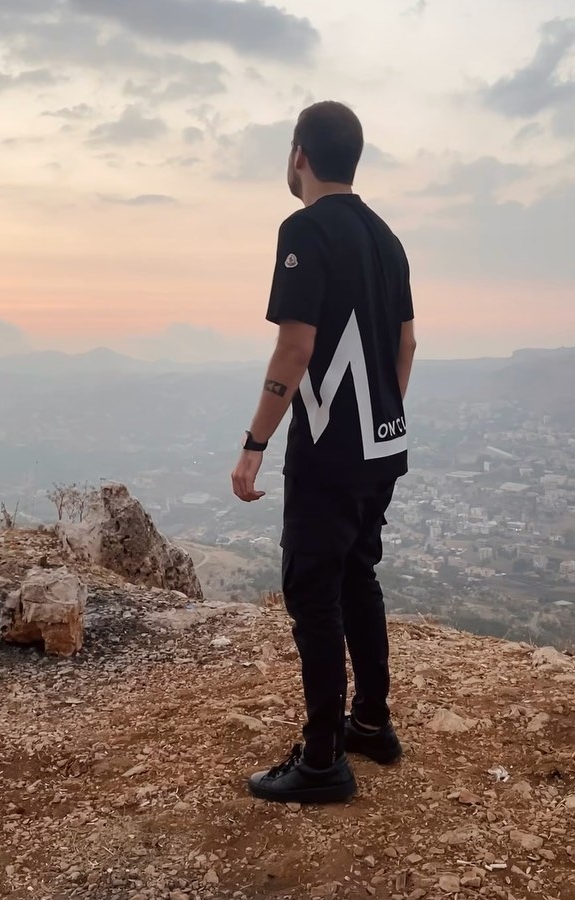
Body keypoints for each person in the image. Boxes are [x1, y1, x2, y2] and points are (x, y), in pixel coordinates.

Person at [231, 101, 417, 804]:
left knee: (312, 592)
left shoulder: (304, 229)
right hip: (381, 445)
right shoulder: (386, 237)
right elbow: (406, 343)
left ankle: (321, 762)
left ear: (299, 155)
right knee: (357, 576)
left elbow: (296, 345)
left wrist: (255, 442)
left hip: (329, 449)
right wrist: (381, 420)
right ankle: (370, 721)